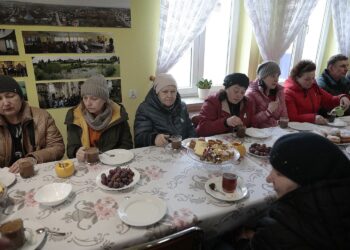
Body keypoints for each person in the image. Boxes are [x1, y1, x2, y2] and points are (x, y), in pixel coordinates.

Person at [232, 132, 350, 249]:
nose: (268, 179)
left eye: (279, 174)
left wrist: (244, 238)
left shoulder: (280, 229)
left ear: (306, 179)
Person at [0, 76, 65, 173]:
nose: (5, 103)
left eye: (10, 96)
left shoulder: (42, 116)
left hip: (38, 172)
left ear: (21, 97)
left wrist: (33, 159)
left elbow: (57, 147)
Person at [65, 75, 133, 161]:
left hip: (113, 162)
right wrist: (76, 152)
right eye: (85, 98)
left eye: (94, 98)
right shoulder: (75, 116)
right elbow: (70, 149)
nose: (88, 103)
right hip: (87, 163)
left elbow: (127, 144)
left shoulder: (118, 114)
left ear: (105, 99)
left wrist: (113, 158)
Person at [134, 73, 196, 148]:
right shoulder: (145, 109)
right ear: (157, 93)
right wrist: (154, 138)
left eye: (173, 91)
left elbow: (190, 128)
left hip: (182, 153)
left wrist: (194, 140)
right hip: (157, 154)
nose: (169, 95)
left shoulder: (182, 106)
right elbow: (139, 138)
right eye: (165, 92)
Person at [284, 60, 350, 124]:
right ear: (296, 78)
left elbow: (329, 100)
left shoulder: (313, 87)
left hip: (311, 125)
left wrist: (341, 97)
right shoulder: (288, 93)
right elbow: (292, 117)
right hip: (295, 128)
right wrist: (313, 118)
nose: (311, 82)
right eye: (307, 79)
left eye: (313, 78)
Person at [246, 61, 288, 128]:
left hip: (277, 131)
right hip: (259, 134)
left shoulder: (280, 92)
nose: (276, 80)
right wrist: (268, 112)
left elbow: (284, 117)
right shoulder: (251, 94)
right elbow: (251, 122)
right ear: (263, 77)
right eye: (272, 76)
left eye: (278, 76)